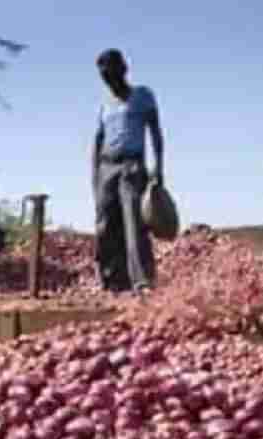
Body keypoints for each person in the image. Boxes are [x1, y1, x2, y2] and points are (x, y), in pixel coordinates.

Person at [92, 48, 165, 294]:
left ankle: (142, 281)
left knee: (134, 224)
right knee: (104, 225)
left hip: (132, 166)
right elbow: (98, 139)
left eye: (112, 73)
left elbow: (155, 132)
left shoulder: (143, 96)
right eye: (104, 76)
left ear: (123, 70)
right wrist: (95, 174)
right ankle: (111, 280)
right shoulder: (104, 104)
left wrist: (159, 168)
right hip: (106, 167)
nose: (108, 79)